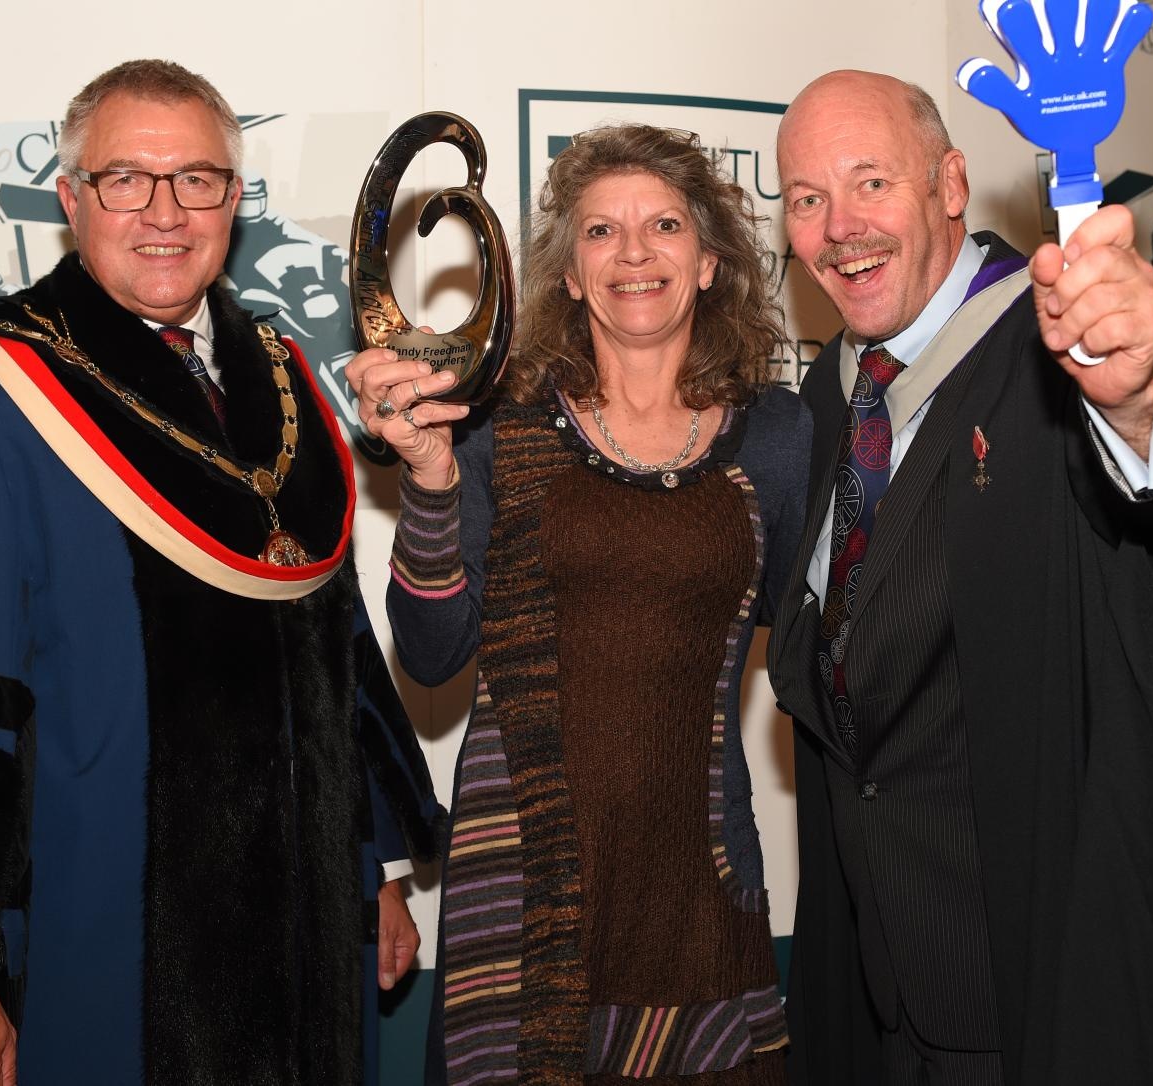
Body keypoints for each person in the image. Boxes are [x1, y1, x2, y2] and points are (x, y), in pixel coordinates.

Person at [0, 59, 442, 1086]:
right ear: (72, 200)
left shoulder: (283, 380)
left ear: (233, 201)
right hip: (96, 929)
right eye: (126, 180)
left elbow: (330, 638)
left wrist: (370, 860)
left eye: (196, 179)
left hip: (302, 933)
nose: (164, 212)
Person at [769, 70, 1153, 1084]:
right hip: (885, 995)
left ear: (950, 185)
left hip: (1056, 994)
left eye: (872, 181)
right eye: (807, 199)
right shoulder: (833, 399)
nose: (840, 227)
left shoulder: (1079, 345)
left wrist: (1135, 407)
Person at [348, 124, 812, 1084]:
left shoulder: (777, 436)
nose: (634, 253)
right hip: (522, 893)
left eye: (665, 226)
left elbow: (798, 629)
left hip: (700, 883)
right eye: (601, 232)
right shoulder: (498, 430)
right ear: (566, 274)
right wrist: (429, 479)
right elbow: (431, 653)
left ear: (711, 261)